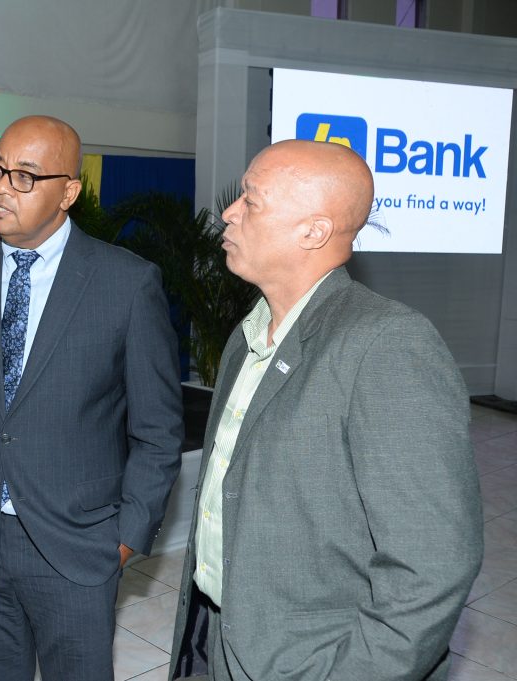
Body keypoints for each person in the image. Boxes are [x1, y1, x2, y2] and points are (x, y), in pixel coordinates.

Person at [168, 140, 482, 681]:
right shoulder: (249, 335)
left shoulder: (388, 344)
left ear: (312, 231)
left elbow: (431, 565)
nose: (229, 212)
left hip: (313, 660)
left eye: (251, 199)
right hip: (223, 638)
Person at [0, 115, 184, 681]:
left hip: (78, 550)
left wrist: (126, 540)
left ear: (69, 193)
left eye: (25, 175)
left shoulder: (126, 284)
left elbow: (158, 432)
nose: (2, 186)